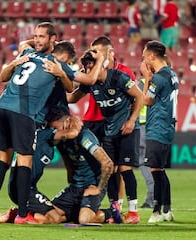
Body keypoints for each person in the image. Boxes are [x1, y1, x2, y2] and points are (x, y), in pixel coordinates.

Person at [0, 22, 75, 224]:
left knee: (3, 160)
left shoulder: (25, 53)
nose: (38, 40)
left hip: (2, 107)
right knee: (25, 160)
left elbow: (1, 77)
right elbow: (71, 88)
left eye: (41, 36)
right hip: (23, 112)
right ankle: (23, 215)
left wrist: (17, 61)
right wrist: (60, 73)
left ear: (52, 39)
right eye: (37, 36)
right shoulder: (54, 62)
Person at [68, 49, 144, 224]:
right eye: (86, 67)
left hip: (127, 129)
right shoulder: (90, 83)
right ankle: (115, 210)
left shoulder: (118, 77)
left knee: (125, 169)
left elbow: (139, 96)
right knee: (110, 169)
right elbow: (72, 98)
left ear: (101, 65)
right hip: (109, 130)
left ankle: (133, 212)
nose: (88, 70)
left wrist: (132, 120)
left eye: (91, 65)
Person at [140, 40, 178, 223]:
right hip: (167, 127)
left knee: (155, 170)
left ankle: (156, 211)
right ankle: (167, 210)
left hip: (158, 127)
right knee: (160, 170)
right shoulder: (171, 74)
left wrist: (147, 78)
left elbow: (147, 100)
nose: (144, 60)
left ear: (152, 55)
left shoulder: (158, 78)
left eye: (145, 56)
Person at [137, 78, 154, 208]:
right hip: (155, 127)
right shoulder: (161, 81)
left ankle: (151, 198)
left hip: (143, 126)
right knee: (154, 164)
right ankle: (157, 198)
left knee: (144, 163)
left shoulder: (142, 83)